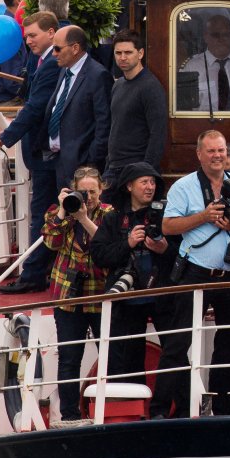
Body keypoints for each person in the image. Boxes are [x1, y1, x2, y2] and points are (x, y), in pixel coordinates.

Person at [150, 131, 230, 418]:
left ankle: (226, 409)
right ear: (199, 154)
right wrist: (204, 216)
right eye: (211, 151)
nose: (217, 156)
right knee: (178, 344)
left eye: (221, 151)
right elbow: (167, 227)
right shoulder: (183, 186)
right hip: (196, 271)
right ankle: (161, 411)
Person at [0, 12, 62, 294]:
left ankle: (33, 274)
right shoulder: (40, 58)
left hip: (46, 149)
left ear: (51, 33)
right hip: (39, 148)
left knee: (41, 212)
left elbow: (36, 106)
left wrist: (6, 137)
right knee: (40, 211)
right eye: (26, 35)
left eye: (33, 35)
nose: (27, 41)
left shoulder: (52, 63)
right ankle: (35, 270)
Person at [90, 162, 173, 392]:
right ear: (129, 186)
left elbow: (183, 255)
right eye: (144, 182)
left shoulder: (167, 216)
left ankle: (173, 409)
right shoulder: (114, 219)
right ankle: (131, 409)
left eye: (153, 182)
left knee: (175, 353)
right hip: (127, 299)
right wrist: (127, 243)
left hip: (161, 294)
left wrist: (164, 249)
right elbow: (98, 254)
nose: (150, 187)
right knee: (127, 359)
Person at [42, 167, 113, 426]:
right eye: (83, 192)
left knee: (107, 354)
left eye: (92, 191)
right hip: (67, 296)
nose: (88, 197)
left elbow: (107, 244)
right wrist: (63, 210)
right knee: (70, 358)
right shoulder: (61, 213)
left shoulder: (109, 214)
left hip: (99, 292)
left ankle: (107, 410)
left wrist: (83, 218)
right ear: (72, 190)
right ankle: (70, 415)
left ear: (101, 190)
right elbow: (51, 242)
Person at [38, 25, 113, 190]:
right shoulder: (64, 71)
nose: (53, 54)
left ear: (75, 48)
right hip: (59, 160)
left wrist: (90, 161)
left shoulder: (98, 75)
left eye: (57, 49)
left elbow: (104, 123)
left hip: (83, 167)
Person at [104, 29, 168, 202]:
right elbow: (115, 127)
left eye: (128, 52)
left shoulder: (151, 87)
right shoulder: (118, 85)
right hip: (113, 168)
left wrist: (146, 173)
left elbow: (158, 134)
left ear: (140, 53)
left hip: (136, 170)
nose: (122, 57)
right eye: (118, 53)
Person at [179, 14, 230, 112]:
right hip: (204, 125)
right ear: (206, 37)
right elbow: (184, 108)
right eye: (215, 35)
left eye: (226, 34)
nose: (221, 39)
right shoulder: (191, 67)